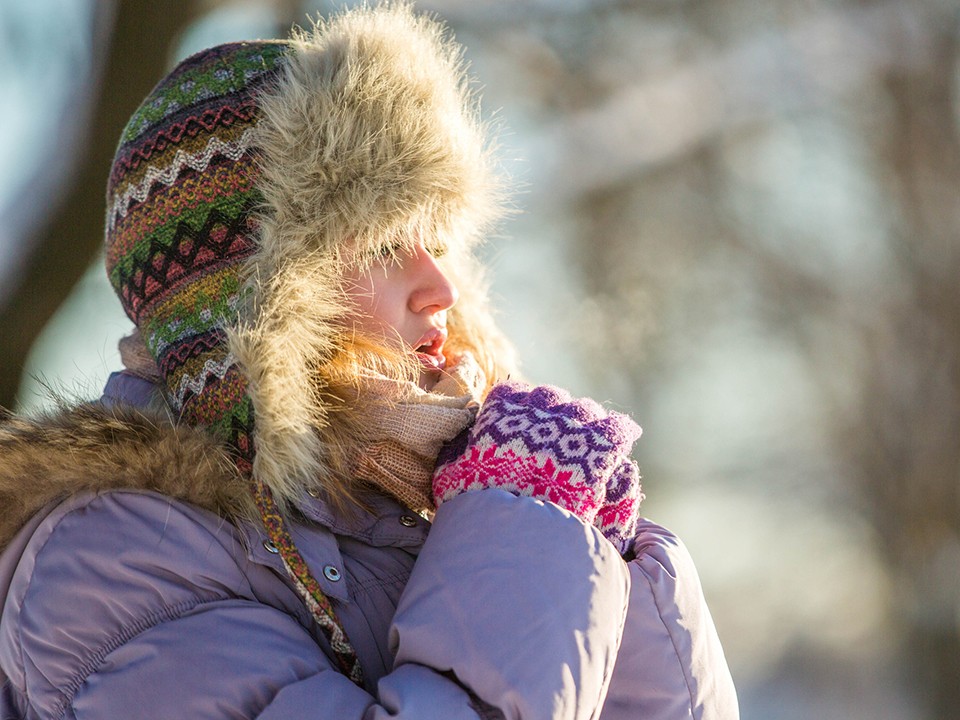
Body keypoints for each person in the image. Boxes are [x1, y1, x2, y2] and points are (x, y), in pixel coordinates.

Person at [0, 4, 739, 718]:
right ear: (252, 298)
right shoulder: (116, 560)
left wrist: (604, 557)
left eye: (440, 242)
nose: (442, 288)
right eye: (387, 245)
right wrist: (528, 528)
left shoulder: (410, 511)